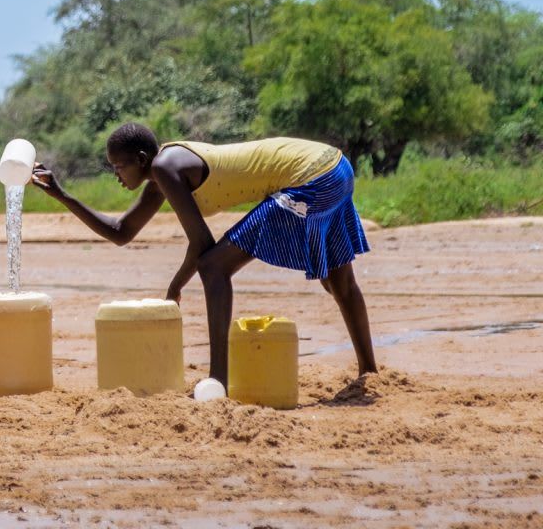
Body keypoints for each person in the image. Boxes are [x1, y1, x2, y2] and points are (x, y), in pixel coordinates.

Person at [31, 123, 377, 387]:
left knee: (214, 268)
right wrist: (61, 195)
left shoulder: (166, 167)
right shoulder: (162, 175)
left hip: (312, 177)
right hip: (335, 166)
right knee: (338, 281)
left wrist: (175, 285)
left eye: (118, 167)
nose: (116, 176)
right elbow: (122, 231)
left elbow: (202, 246)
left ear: (140, 160)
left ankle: (219, 381)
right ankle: (370, 372)